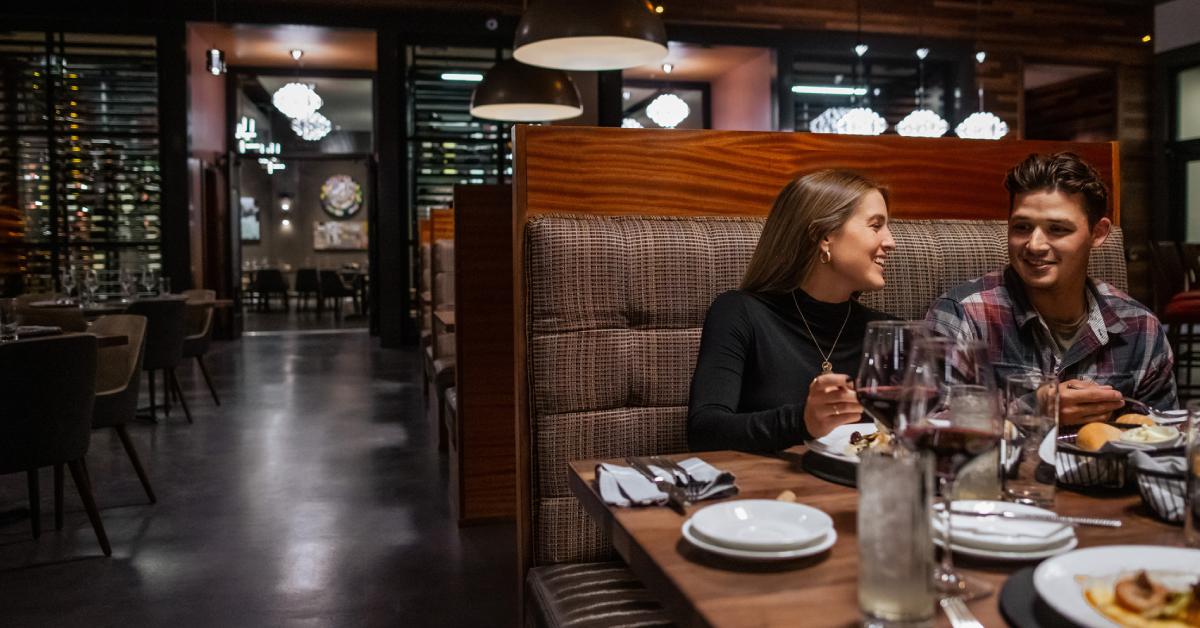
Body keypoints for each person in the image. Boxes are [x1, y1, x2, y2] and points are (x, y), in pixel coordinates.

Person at [927, 152, 1176, 424]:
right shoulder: (963, 315)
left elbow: (1164, 436)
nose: (1035, 245)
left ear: (1098, 233)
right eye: (1022, 227)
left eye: (1057, 229)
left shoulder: (1140, 328)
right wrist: (1033, 409)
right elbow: (929, 429)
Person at [687, 170, 896, 452]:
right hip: (770, 492)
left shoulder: (888, 334)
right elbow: (704, 432)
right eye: (875, 226)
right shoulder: (741, 313)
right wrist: (802, 421)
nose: (890, 241)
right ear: (823, 237)